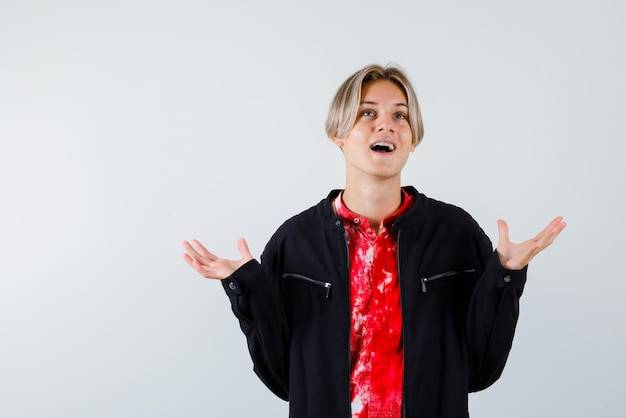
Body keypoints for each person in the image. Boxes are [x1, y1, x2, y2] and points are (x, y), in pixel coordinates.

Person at [182, 64, 566, 418]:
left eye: (400, 115)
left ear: (412, 138)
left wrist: (506, 275)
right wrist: (246, 287)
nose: (387, 125)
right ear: (338, 133)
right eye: (368, 113)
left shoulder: (456, 234)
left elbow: (480, 371)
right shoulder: (295, 241)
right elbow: (283, 380)